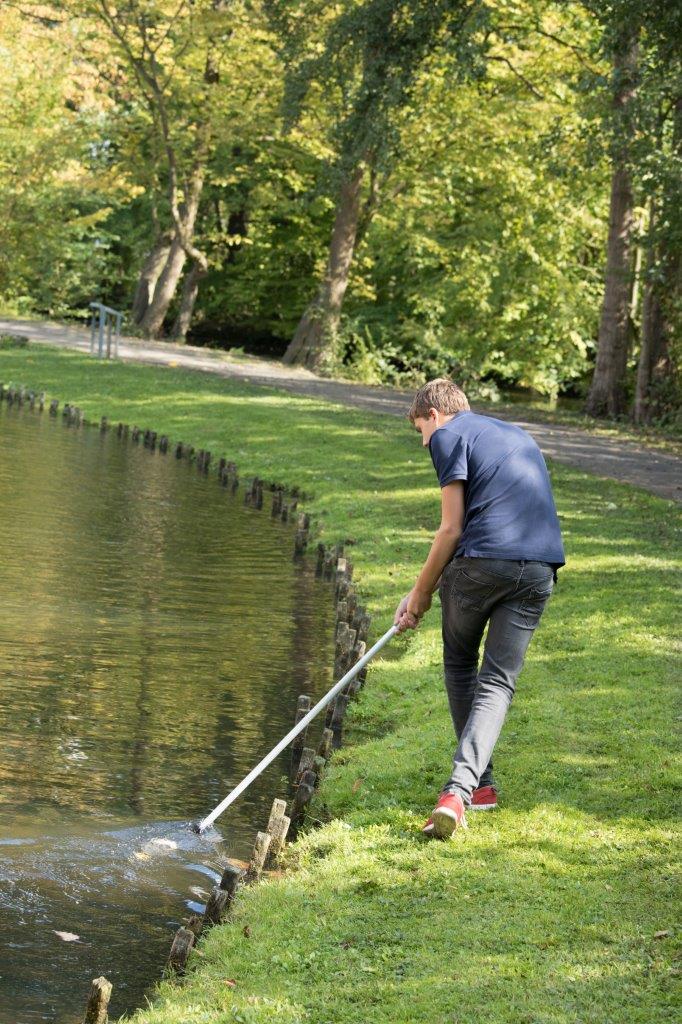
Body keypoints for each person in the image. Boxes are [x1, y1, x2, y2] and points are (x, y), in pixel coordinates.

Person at [394, 378, 565, 839]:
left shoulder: (448, 435)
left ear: (433, 414)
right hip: (540, 570)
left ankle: (474, 788)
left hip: (482, 565)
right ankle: (468, 791)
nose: (424, 442)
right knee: (498, 683)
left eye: (419, 431)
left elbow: (450, 530)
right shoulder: (517, 435)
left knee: (460, 665)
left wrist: (421, 594)